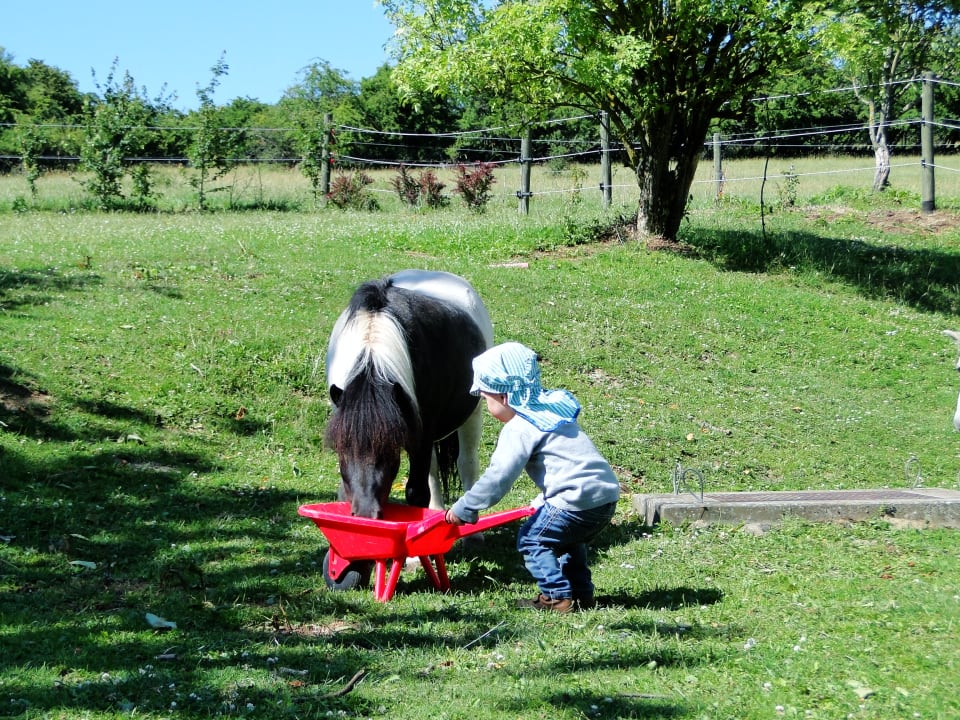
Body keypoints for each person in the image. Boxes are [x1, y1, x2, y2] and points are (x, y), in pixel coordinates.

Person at [445, 342, 620, 612]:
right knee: (568, 540)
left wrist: (466, 507)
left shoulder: (520, 427)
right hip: (604, 497)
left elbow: (498, 477)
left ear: (504, 397)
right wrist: (545, 499)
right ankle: (582, 595)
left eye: (486, 399)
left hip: (574, 498)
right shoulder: (552, 411)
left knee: (533, 540)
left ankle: (556, 597)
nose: (488, 408)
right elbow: (569, 463)